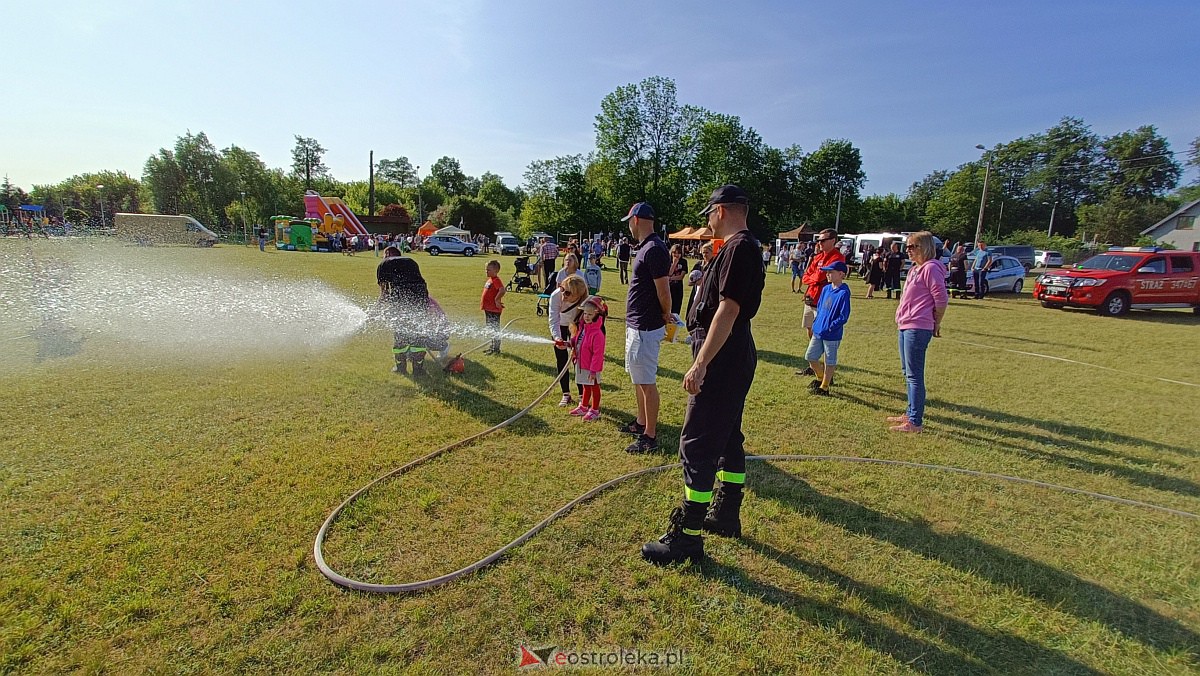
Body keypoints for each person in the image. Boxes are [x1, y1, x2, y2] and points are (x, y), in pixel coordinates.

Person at [642, 184, 764, 565]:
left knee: (697, 443)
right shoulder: (736, 248)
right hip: (730, 352)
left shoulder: (738, 247)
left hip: (723, 355)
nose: (707, 222)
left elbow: (727, 310)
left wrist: (701, 363)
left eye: (709, 213)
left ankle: (687, 537)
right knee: (727, 436)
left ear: (723, 210)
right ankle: (726, 515)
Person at [620, 201, 671, 454]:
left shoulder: (654, 249)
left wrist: (665, 314)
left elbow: (664, 290)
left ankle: (649, 436)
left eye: (629, 221)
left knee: (647, 381)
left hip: (646, 328)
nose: (629, 226)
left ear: (636, 220)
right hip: (637, 325)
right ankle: (641, 422)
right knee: (638, 378)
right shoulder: (646, 247)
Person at [889, 231, 948, 433]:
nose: (909, 251)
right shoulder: (915, 269)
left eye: (912, 246)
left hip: (918, 326)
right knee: (907, 372)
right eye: (907, 247)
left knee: (914, 375)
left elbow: (941, 299)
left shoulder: (931, 268)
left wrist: (937, 322)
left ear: (924, 247)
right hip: (905, 324)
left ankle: (915, 421)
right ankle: (910, 412)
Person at [377, 246, 432, 376]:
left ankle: (400, 368)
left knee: (401, 336)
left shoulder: (384, 264)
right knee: (418, 336)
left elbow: (384, 293)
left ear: (387, 254)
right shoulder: (411, 261)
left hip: (401, 300)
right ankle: (418, 370)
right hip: (421, 299)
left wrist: (376, 309)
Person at [804, 261, 852, 396]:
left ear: (841, 274)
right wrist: (817, 322)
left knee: (829, 361)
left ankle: (824, 387)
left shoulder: (843, 293)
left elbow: (844, 316)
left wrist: (830, 327)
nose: (828, 274)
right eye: (827, 271)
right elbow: (819, 307)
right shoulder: (825, 289)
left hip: (831, 334)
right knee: (810, 356)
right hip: (818, 330)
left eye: (831, 272)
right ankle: (820, 378)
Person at [549, 276, 589, 407]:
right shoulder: (556, 295)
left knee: (579, 361)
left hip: (575, 327)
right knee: (561, 359)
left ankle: (582, 395)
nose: (563, 294)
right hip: (559, 326)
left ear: (577, 295)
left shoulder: (584, 302)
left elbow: (583, 324)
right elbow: (553, 319)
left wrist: (575, 342)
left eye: (568, 293)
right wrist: (557, 338)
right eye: (562, 289)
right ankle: (566, 394)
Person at [568, 296, 608, 421]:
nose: (586, 316)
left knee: (594, 387)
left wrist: (593, 371)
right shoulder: (584, 328)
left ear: (597, 315)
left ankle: (595, 410)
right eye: (585, 313)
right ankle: (584, 406)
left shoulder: (598, 334)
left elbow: (598, 354)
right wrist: (569, 343)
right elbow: (577, 340)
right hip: (582, 363)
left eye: (590, 314)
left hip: (592, 367)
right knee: (585, 386)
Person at [801, 229, 845, 343]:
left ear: (833, 241)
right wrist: (813, 278)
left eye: (823, 240)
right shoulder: (818, 257)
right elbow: (806, 276)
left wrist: (813, 277)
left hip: (824, 298)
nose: (820, 243)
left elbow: (820, 276)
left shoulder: (837, 257)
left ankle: (818, 352)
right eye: (819, 240)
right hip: (811, 296)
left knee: (821, 327)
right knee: (809, 325)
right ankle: (814, 350)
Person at [481, 260, 506, 355]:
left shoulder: (496, 280)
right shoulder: (490, 280)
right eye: (486, 269)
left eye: (489, 270)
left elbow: (502, 290)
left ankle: (496, 349)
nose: (486, 271)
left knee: (494, 328)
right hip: (488, 309)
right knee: (490, 328)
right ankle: (491, 346)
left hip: (494, 310)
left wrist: (496, 300)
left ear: (496, 271)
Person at [686, 243, 713, 318]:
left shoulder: (714, 265)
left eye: (707, 252)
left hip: (708, 295)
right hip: (696, 293)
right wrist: (695, 281)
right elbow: (689, 282)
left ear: (712, 252)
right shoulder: (698, 264)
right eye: (703, 252)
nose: (705, 255)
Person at [668, 244, 687, 316]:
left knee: (676, 310)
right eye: (674, 252)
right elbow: (669, 273)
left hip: (678, 288)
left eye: (678, 253)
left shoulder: (683, 262)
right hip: (668, 288)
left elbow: (681, 277)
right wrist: (674, 263)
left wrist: (670, 278)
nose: (676, 255)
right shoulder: (668, 261)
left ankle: (674, 326)